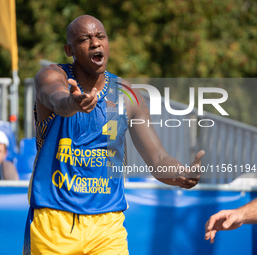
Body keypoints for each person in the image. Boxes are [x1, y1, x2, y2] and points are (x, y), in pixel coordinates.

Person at [23, 15, 205, 254]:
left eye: (100, 36)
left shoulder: (127, 94)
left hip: (107, 224)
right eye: (84, 39)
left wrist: (180, 174)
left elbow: (158, 159)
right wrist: (73, 102)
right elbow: (56, 99)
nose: (95, 43)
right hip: (54, 220)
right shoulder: (52, 76)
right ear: (70, 50)